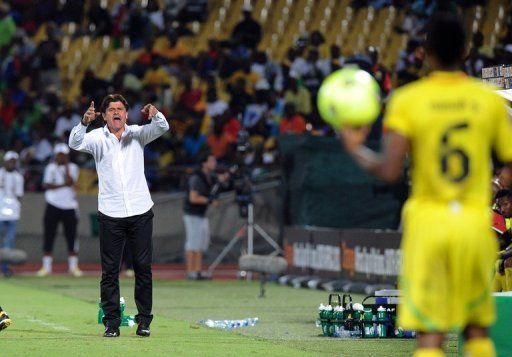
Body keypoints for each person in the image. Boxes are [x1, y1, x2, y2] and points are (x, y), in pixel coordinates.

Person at [339, 12, 512, 357]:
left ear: (425, 52)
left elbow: (389, 171)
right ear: (465, 50)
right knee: (477, 330)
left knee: (430, 335)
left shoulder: (408, 100)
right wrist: (494, 183)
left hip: (429, 223)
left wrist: (355, 147)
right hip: (474, 223)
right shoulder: (489, 101)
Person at [69, 94, 169, 338]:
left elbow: (163, 127)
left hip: (140, 211)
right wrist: (83, 123)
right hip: (111, 213)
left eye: (121, 109)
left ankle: (144, 321)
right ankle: (111, 323)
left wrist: (155, 114)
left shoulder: (137, 134)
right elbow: (74, 143)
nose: (116, 112)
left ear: (126, 114)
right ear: (104, 115)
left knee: (143, 269)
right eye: (112, 109)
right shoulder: (96, 138)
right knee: (110, 271)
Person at [37, 143, 82, 277]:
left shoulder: (73, 167)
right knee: (49, 235)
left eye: (64, 155)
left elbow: (71, 181)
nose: (62, 157)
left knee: (72, 237)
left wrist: (66, 165)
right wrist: (62, 185)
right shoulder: (50, 167)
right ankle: (46, 267)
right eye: (60, 154)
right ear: (55, 155)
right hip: (52, 205)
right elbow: (46, 185)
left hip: (70, 206)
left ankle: (73, 267)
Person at [183, 152, 229, 280]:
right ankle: (191, 271)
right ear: (204, 163)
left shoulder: (208, 176)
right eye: (212, 161)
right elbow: (193, 198)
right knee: (193, 243)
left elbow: (218, 180)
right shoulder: (196, 178)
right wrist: (209, 201)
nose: (214, 163)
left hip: (201, 215)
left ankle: (197, 271)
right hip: (192, 214)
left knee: (201, 243)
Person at [0, 151, 24, 277]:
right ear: (5, 161)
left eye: (14, 160)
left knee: (8, 242)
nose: (12, 163)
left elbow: (19, 195)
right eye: (10, 160)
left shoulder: (18, 177)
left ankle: (5, 268)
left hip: (13, 214)